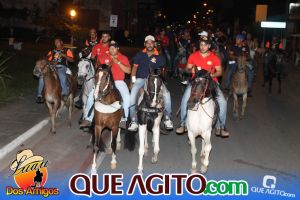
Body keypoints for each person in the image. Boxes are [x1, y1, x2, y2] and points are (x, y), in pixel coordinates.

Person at [176, 35, 230, 137]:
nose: (203, 47)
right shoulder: (193, 56)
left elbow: (219, 72)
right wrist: (190, 70)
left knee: (222, 102)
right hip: (196, 82)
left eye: (205, 45)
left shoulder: (214, 58)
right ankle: (183, 124)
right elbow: (187, 68)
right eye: (201, 44)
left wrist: (210, 75)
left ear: (209, 46)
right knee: (184, 99)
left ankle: (221, 126)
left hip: (211, 82)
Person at [79, 41, 131, 129]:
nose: (112, 50)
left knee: (126, 96)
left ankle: (124, 119)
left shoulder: (123, 57)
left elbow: (128, 71)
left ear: (117, 49)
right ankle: (88, 118)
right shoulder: (103, 57)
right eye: (110, 48)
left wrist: (118, 62)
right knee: (91, 94)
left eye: (114, 48)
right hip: (103, 81)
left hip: (118, 81)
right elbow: (97, 68)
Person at [128, 35, 174, 132]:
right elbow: (134, 68)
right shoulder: (140, 55)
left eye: (151, 42)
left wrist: (161, 75)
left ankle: (167, 118)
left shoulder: (159, 56)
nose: (149, 44)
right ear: (145, 44)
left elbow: (163, 70)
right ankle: (133, 120)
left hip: (155, 79)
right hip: (141, 79)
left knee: (167, 94)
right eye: (147, 42)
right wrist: (132, 81)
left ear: (154, 44)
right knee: (132, 95)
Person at [79, 32, 111, 128]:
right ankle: (88, 118)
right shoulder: (97, 46)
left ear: (109, 37)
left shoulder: (112, 46)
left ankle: (123, 116)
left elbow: (115, 57)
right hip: (99, 72)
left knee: (119, 90)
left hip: (110, 72)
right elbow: (92, 57)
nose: (104, 38)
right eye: (103, 36)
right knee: (91, 94)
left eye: (106, 36)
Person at [36, 37, 74, 103]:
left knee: (62, 75)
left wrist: (64, 55)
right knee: (42, 76)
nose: (56, 43)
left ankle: (64, 94)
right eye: (55, 42)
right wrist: (52, 63)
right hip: (52, 67)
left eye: (58, 42)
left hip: (61, 67)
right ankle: (39, 95)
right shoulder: (52, 51)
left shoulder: (66, 50)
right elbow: (47, 60)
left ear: (61, 42)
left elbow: (72, 60)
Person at [75, 28, 100, 109]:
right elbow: (84, 49)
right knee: (83, 70)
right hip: (89, 58)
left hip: (97, 58)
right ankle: (81, 98)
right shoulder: (87, 41)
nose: (92, 34)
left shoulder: (99, 41)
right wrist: (83, 53)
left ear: (96, 34)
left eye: (94, 33)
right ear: (90, 34)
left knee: (101, 72)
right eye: (91, 33)